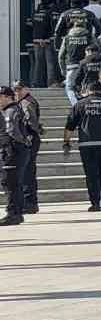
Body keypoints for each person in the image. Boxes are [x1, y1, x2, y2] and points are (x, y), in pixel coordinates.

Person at [64, 77, 101, 212]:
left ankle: (95, 203)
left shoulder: (79, 104)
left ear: (87, 90)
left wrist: (66, 142)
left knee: (91, 174)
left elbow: (70, 126)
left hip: (87, 145)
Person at [0, 87, 35, 225]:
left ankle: (13, 213)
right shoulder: (16, 108)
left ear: (7, 97)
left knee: (10, 183)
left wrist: (18, 143)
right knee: (15, 183)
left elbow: (12, 132)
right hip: (17, 150)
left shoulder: (10, 111)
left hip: (12, 150)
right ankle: (17, 212)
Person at [11, 83, 40, 214]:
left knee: (27, 171)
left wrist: (29, 134)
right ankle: (30, 202)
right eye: (15, 90)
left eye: (19, 89)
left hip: (29, 138)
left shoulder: (26, 102)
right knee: (28, 171)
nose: (16, 92)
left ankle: (29, 202)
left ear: (26, 89)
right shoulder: (25, 101)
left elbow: (31, 121)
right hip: (30, 138)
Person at [58, 18, 94, 106]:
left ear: (73, 27)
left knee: (69, 88)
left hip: (72, 66)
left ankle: (76, 106)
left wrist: (63, 70)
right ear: (84, 27)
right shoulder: (89, 36)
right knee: (86, 86)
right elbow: (97, 49)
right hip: (87, 66)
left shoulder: (67, 38)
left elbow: (61, 56)